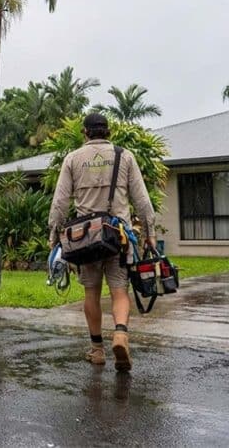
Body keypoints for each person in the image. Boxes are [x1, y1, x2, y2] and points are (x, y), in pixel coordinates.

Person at [48, 113, 156, 372]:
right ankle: (120, 334)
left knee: (91, 292)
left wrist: (54, 236)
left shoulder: (73, 159)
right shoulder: (124, 156)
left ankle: (97, 350)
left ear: (85, 133)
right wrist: (150, 232)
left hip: (85, 240)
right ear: (108, 132)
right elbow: (142, 199)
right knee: (120, 290)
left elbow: (60, 202)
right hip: (118, 237)